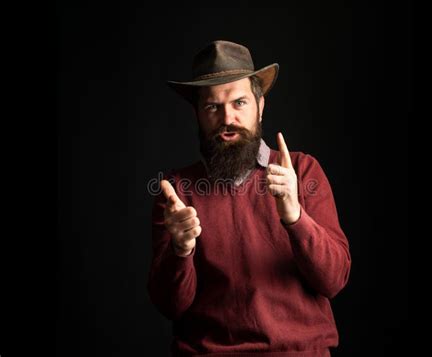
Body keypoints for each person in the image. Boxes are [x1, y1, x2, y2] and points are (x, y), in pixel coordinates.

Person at [147, 40, 351, 357]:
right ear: (198, 114)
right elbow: (170, 306)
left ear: (261, 105)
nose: (227, 119)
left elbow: (334, 281)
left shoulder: (302, 170)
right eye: (212, 106)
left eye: (239, 103)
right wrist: (181, 250)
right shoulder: (178, 192)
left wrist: (295, 217)